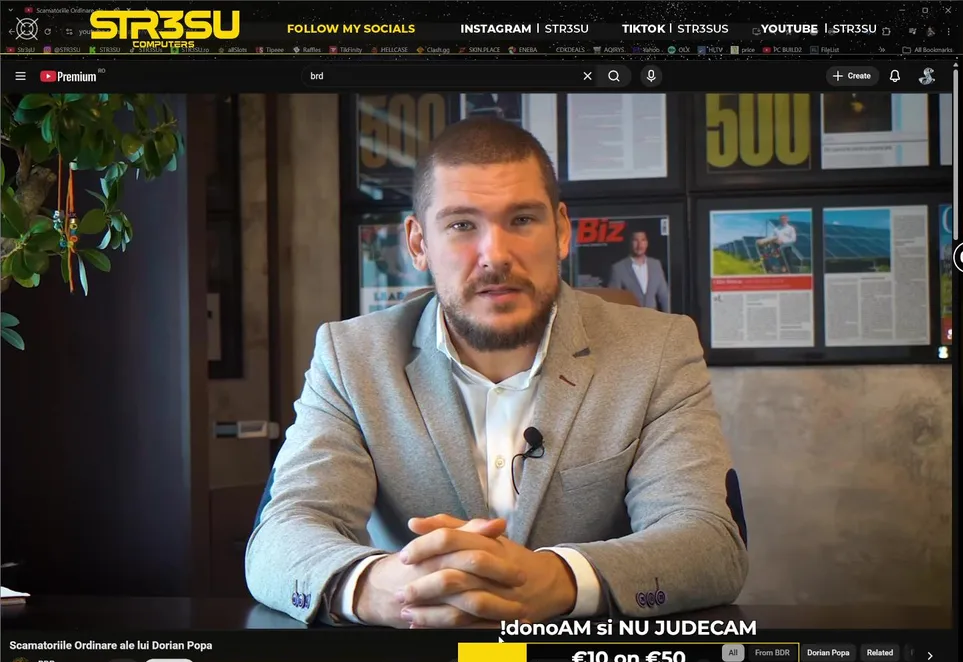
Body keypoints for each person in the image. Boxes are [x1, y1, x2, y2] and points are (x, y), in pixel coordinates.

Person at [246, 118, 747, 628]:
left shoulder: (657, 349)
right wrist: (378, 588)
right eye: (462, 225)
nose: (496, 256)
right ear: (418, 243)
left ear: (561, 231)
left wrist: (559, 578)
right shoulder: (351, 358)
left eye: (522, 219)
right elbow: (282, 536)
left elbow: (708, 543)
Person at [607, 230, 670, 311]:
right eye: (635, 240)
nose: (639, 245)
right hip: (630, 317)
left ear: (647, 243)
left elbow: (664, 296)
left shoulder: (655, 265)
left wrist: (669, 317)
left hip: (652, 317)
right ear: (630, 242)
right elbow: (613, 300)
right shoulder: (618, 268)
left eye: (643, 240)